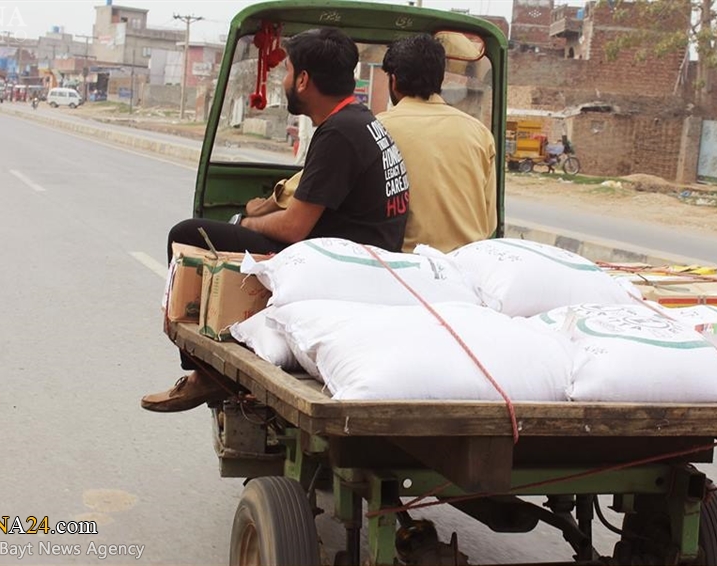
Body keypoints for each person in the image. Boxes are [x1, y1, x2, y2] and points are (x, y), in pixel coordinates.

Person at [142, 28, 410, 412]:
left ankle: (207, 373)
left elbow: (293, 228)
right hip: (357, 256)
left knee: (187, 235)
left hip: (341, 268)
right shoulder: (360, 121)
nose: (284, 82)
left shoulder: (339, 133)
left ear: (303, 80)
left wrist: (246, 224)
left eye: (287, 72)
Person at [377, 34, 497, 253]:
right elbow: (488, 223)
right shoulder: (479, 133)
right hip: (467, 263)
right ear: (440, 79)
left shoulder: (377, 130)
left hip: (404, 264)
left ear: (393, 81)